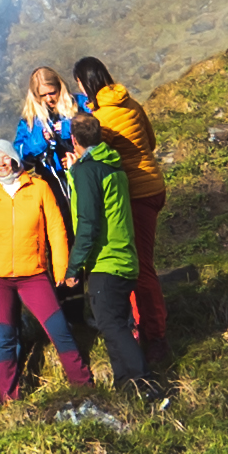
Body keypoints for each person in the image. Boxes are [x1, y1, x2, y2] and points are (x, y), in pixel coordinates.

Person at [74, 52, 173, 396]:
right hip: (154, 184)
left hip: (137, 194)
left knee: (141, 269)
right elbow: (152, 141)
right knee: (140, 264)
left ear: (83, 84)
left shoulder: (101, 117)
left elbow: (99, 152)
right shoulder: (131, 103)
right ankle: (144, 331)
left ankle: (154, 338)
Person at [0, 139, 76, 400]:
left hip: (32, 273)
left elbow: (56, 228)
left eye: (5, 157)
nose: (1, 163)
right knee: (3, 337)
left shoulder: (39, 188)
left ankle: (83, 386)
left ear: (15, 158)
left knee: (58, 329)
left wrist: (62, 268)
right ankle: (8, 399)